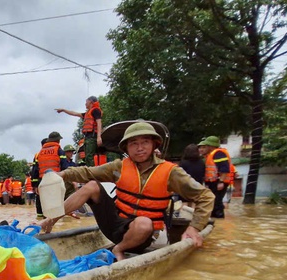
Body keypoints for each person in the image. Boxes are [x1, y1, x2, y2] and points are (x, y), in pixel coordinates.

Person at [39, 122, 214, 260]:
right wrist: (61, 174)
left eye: (145, 142)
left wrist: (194, 227)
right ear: (127, 148)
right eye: (134, 143)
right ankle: (50, 220)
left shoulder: (171, 173)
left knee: (144, 223)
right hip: (114, 225)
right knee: (92, 185)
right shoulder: (119, 167)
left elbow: (206, 196)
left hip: (142, 235)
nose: (139, 148)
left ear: (154, 145)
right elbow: (87, 172)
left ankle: (119, 249)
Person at [55, 96, 103, 167]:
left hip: (92, 136)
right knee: (87, 157)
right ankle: (90, 170)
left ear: (91, 102)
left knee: (89, 156)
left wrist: (99, 137)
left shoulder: (95, 111)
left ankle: (92, 172)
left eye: (86, 102)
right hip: (87, 137)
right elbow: (74, 113)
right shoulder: (88, 113)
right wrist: (64, 110)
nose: (85, 104)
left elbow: (99, 123)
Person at [35, 131, 71, 219]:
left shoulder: (39, 153)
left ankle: (41, 221)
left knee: (44, 203)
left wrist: (35, 185)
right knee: (56, 205)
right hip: (55, 180)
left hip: (42, 181)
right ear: (58, 140)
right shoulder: (59, 150)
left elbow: (35, 170)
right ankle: (56, 224)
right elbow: (64, 166)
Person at [198, 136, 232, 219]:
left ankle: (219, 220)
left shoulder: (218, 153)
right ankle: (214, 220)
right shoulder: (211, 155)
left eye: (206, 146)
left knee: (217, 202)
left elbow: (224, 168)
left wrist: (221, 182)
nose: (204, 148)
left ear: (211, 146)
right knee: (213, 202)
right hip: (213, 182)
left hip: (218, 182)